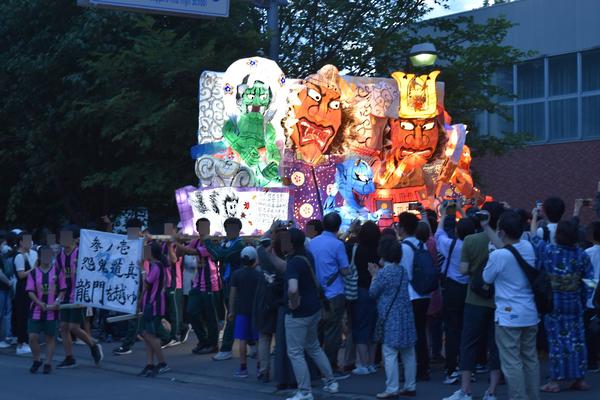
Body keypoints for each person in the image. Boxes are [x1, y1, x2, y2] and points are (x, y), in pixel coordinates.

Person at [443, 201, 506, 400]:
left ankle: (465, 390)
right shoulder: (505, 243)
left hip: (475, 298)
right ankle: (492, 391)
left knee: (468, 343)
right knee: (495, 346)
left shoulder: (471, 240)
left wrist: (476, 272)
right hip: (498, 299)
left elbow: (462, 269)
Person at [530, 215, 594, 392]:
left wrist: (534, 217)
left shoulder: (550, 251)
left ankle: (555, 381)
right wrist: (585, 298)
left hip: (554, 302)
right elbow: (590, 281)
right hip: (575, 302)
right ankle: (579, 378)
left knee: (556, 341)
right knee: (577, 339)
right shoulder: (582, 255)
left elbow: (534, 239)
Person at [482, 210, 540, 400]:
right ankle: (533, 396)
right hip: (530, 313)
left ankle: (518, 397)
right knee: (530, 358)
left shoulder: (498, 256)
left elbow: (486, 278)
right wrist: (486, 227)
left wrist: (491, 243)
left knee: (512, 362)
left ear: (503, 232)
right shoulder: (528, 247)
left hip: (508, 316)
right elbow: (508, 249)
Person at [285, 228, 339, 400]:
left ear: (291, 243)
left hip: (298, 313)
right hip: (313, 308)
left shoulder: (293, 262)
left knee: (295, 352)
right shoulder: (307, 255)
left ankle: (305, 391)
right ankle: (331, 382)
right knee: (314, 346)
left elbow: (293, 288)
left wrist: (293, 303)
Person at [369, 236, 417, 398]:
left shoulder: (384, 273)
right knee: (408, 352)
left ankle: (392, 388)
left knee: (390, 352)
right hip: (405, 314)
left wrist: (374, 275)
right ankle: (410, 386)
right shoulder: (402, 270)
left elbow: (373, 292)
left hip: (390, 317)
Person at [307, 212, 351, 379]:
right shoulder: (337, 245)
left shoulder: (312, 243)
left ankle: (315, 368)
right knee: (333, 332)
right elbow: (345, 270)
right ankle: (330, 367)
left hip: (315, 293)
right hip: (334, 293)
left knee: (316, 331)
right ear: (338, 227)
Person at [435, 206, 475, 384]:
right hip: (471, 289)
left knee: (452, 329)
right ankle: (469, 369)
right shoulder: (476, 245)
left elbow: (438, 234)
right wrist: (461, 210)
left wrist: (443, 214)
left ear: (457, 231)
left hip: (452, 288)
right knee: (469, 330)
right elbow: (470, 228)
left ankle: (452, 369)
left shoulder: (451, 245)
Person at [56, 227, 103, 368]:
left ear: (74, 239)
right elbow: (58, 275)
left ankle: (93, 345)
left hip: (79, 294)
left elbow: (94, 270)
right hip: (64, 294)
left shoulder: (81, 253)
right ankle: (69, 357)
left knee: (74, 327)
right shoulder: (59, 256)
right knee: (63, 327)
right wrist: (58, 294)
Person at [174, 219, 221, 355]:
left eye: (207, 226)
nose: (205, 229)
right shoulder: (195, 241)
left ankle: (213, 344)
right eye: (202, 227)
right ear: (198, 228)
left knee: (211, 317)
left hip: (211, 284)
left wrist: (175, 242)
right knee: (191, 312)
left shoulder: (211, 242)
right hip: (197, 283)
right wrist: (179, 242)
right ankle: (203, 340)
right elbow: (179, 254)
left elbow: (193, 252)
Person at [396, 212, 431, 381]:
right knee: (421, 332)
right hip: (425, 293)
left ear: (402, 228)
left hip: (410, 294)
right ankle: (423, 367)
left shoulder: (403, 247)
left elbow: (403, 274)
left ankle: (413, 370)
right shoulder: (422, 244)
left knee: (410, 334)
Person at [205, 217, 245, 361]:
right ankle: (253, 346)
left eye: (234, 228)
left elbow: (220, 255)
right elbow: (216, 257)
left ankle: (226, 348)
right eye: (228, 228)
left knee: (232, 316)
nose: (230, 231)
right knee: (241, 315)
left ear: (239, 230)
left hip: (239, 286)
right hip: (228, 284)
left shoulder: (239, 244)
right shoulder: (226, 243)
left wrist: (208, 242)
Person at [26, 246, 66, 374]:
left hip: (52, 311)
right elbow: (30, 291)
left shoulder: (58, 272)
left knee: (50, 338)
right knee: (32, 337)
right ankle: (37, 359)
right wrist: (39, 303)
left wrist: (57, 302)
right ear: (39, 257)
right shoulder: (33, 273)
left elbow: (62, 290)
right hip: (36, 310)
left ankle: (48, 363)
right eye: (44, 255)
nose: (47, 257)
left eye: (49, 255)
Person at [348, 221, 380, 375]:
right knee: (374, 327)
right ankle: (372, 363)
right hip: (377, 290)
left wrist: (351, 231)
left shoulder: (357, 248)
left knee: (360, 326)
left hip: (361, 289)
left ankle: (363, 363)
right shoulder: (380, 250)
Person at [138, 242, 170, 377]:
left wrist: (142, 269)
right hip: (151, 304)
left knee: (150, 335)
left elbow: (146, 284)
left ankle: (163, 363)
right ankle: (150, 364)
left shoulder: (156, 266)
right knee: (146, 334)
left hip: (154, 305)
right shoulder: (156, 265)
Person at [230, 246, 261, 378]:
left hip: (241, 310)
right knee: (259, 340)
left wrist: (231, 311)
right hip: (256, 311)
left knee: (242, 340)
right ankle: (260, 367)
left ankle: (243, 368)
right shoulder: (259, 274)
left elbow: (232, 294)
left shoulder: (236, 274)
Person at [13, 233, 37, 355]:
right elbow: (21, 275)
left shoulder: (28, 254)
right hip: (22, 289)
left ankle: (26, 342)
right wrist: (34, 269)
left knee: (27, 315)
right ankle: (21, 344)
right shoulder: (19, 256)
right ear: (21, 242)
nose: (30, 243)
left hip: (28, 288)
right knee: (22, 316)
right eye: (28, 241)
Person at [584, 221, 600, 372]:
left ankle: (591, 361)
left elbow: (586, 275)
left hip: (591, 293)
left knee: (590, 329)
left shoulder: (588, 252)